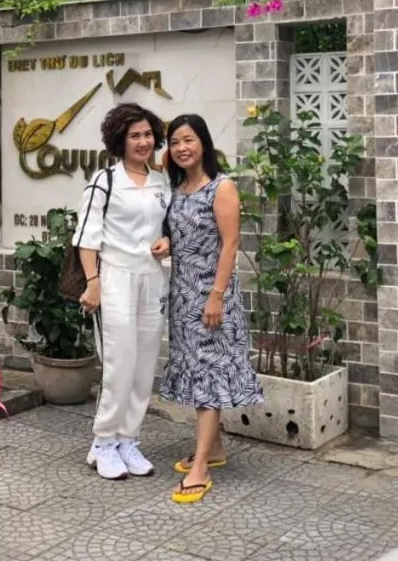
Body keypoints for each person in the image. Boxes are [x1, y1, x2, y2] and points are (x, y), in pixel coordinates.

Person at [154, 113, 263, 504]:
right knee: (197, 369)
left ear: (203, 142)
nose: (182, 148)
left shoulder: (222, 187)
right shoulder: (179, 188)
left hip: (213, 297)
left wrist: (216, 295)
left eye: (189, 140)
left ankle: (200, 465)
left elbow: (230, 244)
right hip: (182, 296)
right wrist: (167, 243)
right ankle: (214, 449)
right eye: (175, 142)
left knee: (209, 375)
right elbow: (179, 233)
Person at [75, 102, 171, 480]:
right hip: (115, 277)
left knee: (146, 363)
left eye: (148, 134)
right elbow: (87, 237)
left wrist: (168, 241)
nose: (143, 141)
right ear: (120, 139)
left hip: (153, 278)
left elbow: (171, 226)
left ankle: (129, 438)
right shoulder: (105, 181)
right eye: (135, 135)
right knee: (120, 362)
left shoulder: (163, 180)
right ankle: (103, 441)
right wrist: (93, 283)